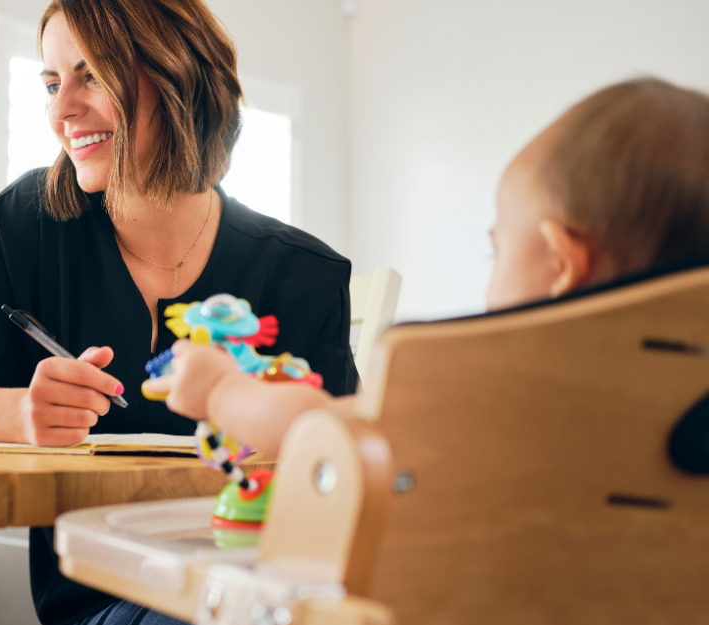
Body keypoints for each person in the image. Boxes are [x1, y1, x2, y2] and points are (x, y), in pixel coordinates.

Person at [0, 0, 359, 625]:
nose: (61, 111)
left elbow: (344, 477)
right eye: (52, 84)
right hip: (102, 601)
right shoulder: (28, 223)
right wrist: (21, 413)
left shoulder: (306, 275)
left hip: (261, 590)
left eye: (92, 75)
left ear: (176, 75)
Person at [145, 77, 709, 456]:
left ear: (561, 266)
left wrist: (222, 392)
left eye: (498, 250)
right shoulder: (683, 422)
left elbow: (325, 432)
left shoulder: (498, 393)